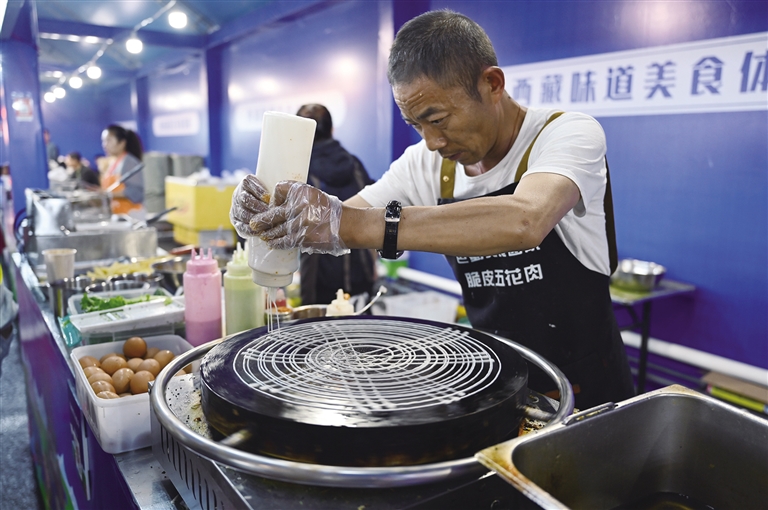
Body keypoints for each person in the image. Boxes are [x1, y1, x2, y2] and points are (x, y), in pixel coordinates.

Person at [231, 10, 634, 410]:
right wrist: (274, 217)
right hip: (502, 384)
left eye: (438, 119)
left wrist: (348, 224)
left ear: (492, 84)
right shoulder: (425, 165)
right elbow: (339, 217)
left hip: (590, 393)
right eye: (416, 125)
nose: (432, 142)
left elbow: (526, 219)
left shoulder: (566, 134)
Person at [295, 104, 377, 305]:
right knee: (361, 323)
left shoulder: (298, 171)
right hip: (361, 272)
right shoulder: (355, 164)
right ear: (332, 130)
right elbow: (375, 212)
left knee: (318, 324)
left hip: (318, 279)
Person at [100, 125, 145, 216]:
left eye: (109, 140)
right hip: (119, 214)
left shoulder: (129, 162)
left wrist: (108, 194)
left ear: (122, 143)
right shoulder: (112, 162)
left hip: (132, 215)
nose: (104, 145)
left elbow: (136, 193)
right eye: (103, 141)